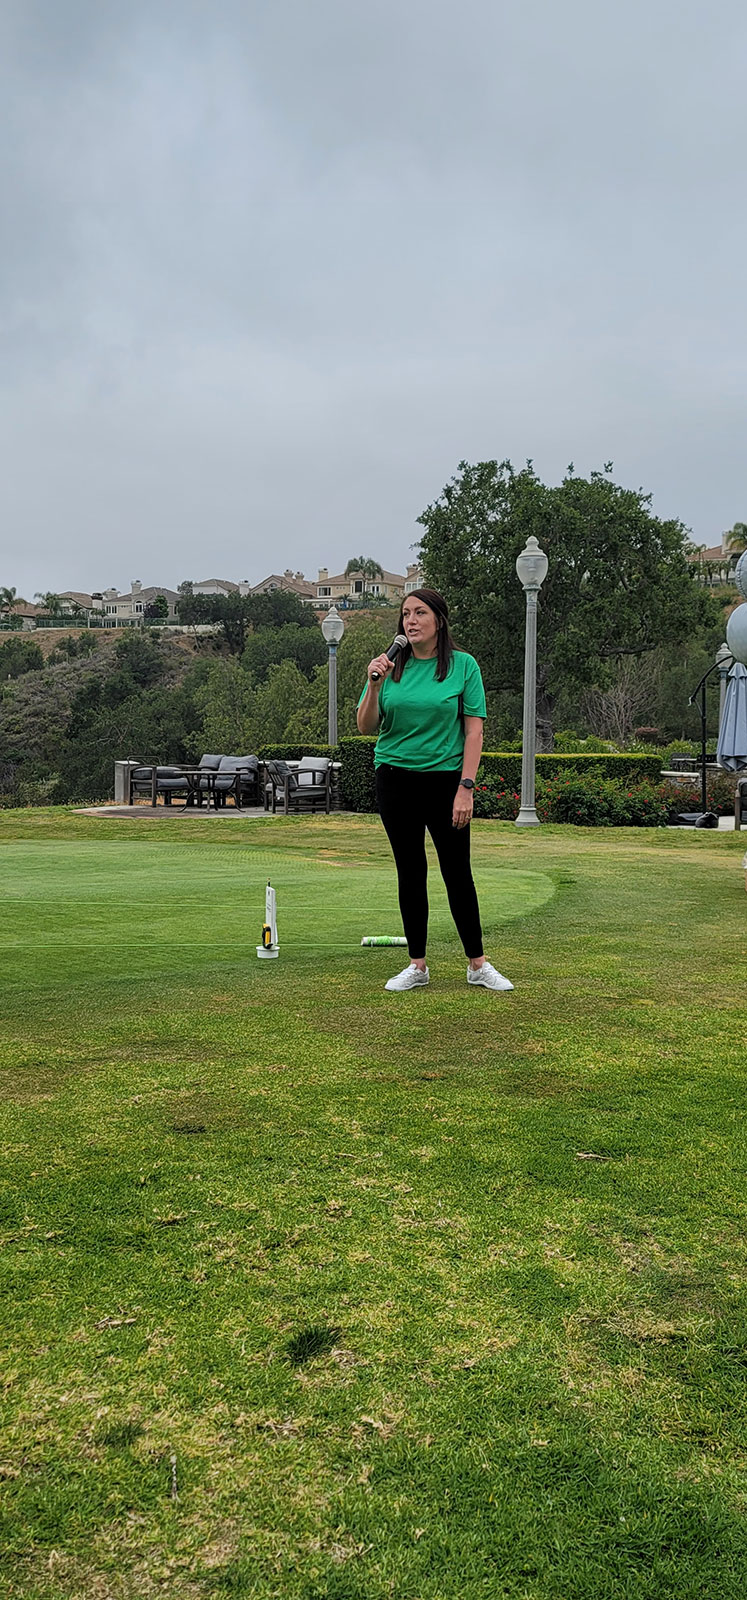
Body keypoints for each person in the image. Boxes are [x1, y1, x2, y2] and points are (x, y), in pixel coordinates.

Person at [357, 587, 514, 993]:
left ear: (439, 621)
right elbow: (366, 726)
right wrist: (374, 685)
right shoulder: (389, 666)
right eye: (406, 614)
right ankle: (417, 966)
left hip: (446, 781)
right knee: (410, 872)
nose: (410, 621)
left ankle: (477, 965)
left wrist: (466, 787)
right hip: (395, 779)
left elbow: (474, 732)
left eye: (420, 613)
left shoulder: (463, 666)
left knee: (457, 872)